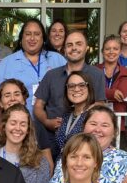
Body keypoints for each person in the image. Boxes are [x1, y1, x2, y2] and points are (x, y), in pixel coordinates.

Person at [34, 30, 106, 160]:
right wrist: (46, 121)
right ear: (64, 50)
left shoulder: (97, 74)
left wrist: (80, 117)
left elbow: (100, 104)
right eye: (69, 45)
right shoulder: (51, 75)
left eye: (78, 44)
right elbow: (38, 105)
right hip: (51, 137)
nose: (74, 48)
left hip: (82, 139)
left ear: (86, 48)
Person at [0, 19, 66, 117]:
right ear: (22, 37)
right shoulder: (7, 63)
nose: (32, 38)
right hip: (19, 125)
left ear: (43, 38)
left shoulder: (57, 59)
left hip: (54, 123)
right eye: (28, 34)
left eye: (36, 34)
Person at [54, 71, 96, 156]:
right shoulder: (66, 116)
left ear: (89, 88)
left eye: (82, 85)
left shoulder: (93, 116)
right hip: (61, 165)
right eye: (71, 86)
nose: (76, 89)